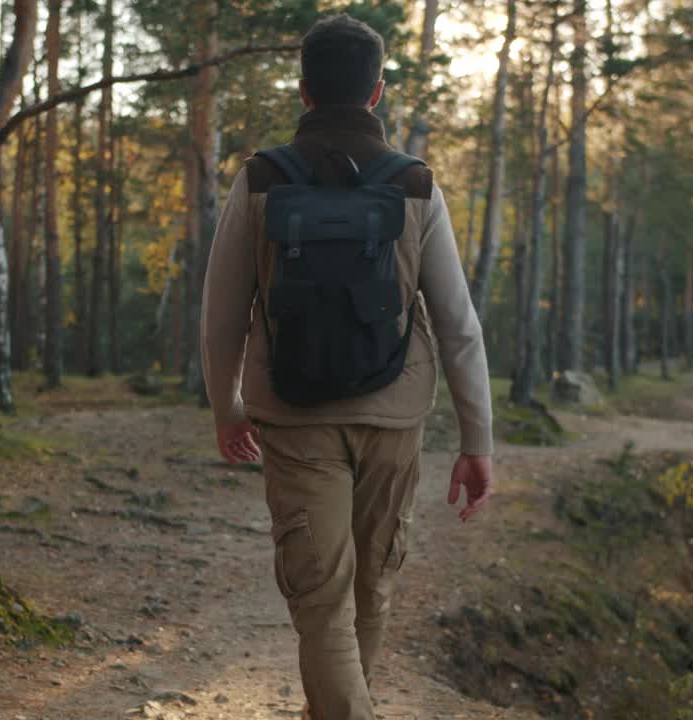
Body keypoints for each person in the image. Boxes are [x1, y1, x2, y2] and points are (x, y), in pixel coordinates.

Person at [200, 13, 494, 720]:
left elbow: (222, 309)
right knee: (370, 588)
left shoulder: (262, 177)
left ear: (303, 93)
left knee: (320, 596)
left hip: (292, 415)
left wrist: (227, 405)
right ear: (378, 93)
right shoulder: (416, 184)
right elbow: (457, 326)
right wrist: (476, 441)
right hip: (393, 413)